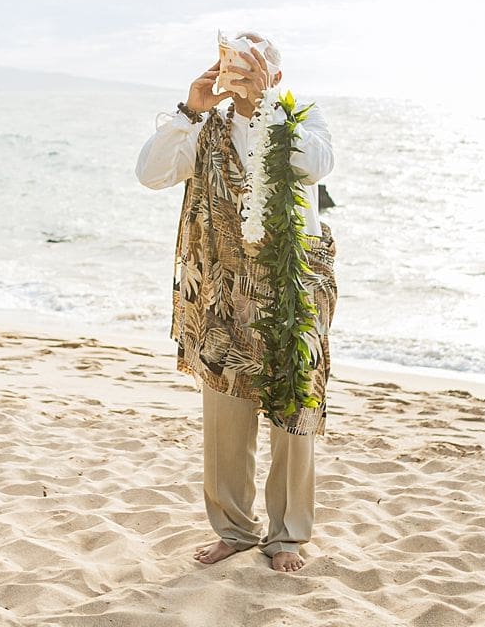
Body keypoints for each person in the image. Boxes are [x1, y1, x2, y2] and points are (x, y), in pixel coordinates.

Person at [135, 33, 336, 573]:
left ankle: (287, 535)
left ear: (276, 75)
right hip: (222, 289)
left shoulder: (302, 120)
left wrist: (267, 104)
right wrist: (191, 110)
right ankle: (234, 529)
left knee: (294, 409)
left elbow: (317, 164)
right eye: (233, 62)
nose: (241, 72)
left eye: (254, 64)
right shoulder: (204, 127)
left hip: (292, 290)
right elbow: (151, 174)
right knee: (226, 414)